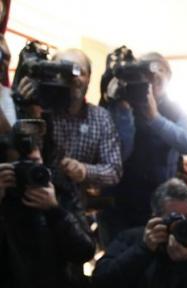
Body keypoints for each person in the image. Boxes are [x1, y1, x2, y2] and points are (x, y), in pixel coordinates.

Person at [0, 142, 96, 288]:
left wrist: (54, 211)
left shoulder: (60, 194)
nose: (28, 172)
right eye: (19, 167)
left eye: (34, 163)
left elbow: (84, 250)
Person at [99, 52, 187, 245]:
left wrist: (154, 118)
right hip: (123, 200)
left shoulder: (175, 109)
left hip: (160, 201)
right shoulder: (122, 103)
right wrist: (125, 111)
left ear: (169, 78)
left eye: (161, 71)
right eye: (149, 72)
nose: (155, 76)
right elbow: (120, 154)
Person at [16, 48, 123, 193]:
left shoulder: (101, 118)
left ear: (89, 78)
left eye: (80, 71)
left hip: (73, 207)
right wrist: (27, 111)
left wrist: (84, 171)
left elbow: (114, 171)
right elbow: (20, 156)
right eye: (65, 71)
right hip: (34, 197)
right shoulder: (40, 109)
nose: (74, 78)